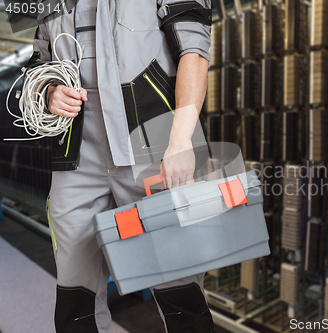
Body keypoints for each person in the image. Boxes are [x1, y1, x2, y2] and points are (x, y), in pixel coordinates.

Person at [29, 0, 213, 331]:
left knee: (180, 292)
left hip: (154, 147)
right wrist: (50, 91)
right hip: (77, 157)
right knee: (75, 296)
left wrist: (183, 139)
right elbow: (39, 65)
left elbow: (194, 49)